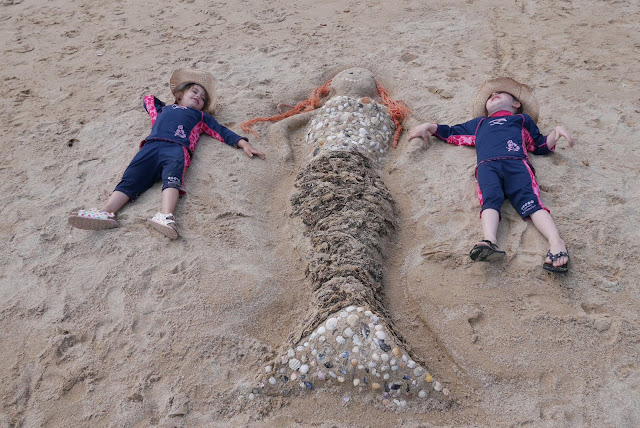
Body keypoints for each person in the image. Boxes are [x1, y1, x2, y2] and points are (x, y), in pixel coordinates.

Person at [68, 68, 265, 239]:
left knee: (173, 179)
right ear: (180, 95)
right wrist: (173, 99)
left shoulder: (201, 116)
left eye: (202, 98)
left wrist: (242, 143)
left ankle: (165, 216)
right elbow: (148, 99)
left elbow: (221, 131)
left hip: (177, 149)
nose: (198, 97)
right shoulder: (163, 110)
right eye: (194, 91)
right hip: (150, 147)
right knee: (130, 179)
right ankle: (107, 212)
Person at [409, 77, 574, 273]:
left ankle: (556, 242)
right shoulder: (479, 124)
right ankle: (489, 241)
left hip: (516, 164)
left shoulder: (521, 120)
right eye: (490, 97)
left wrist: (555, 133)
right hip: (487, 168)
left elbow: (538, 145)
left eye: (500, 94)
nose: (493, 95)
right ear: (486, 109)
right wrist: (428, 126)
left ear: (516, 104)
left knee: (531, 203)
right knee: (489, 201)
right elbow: (452, 133)